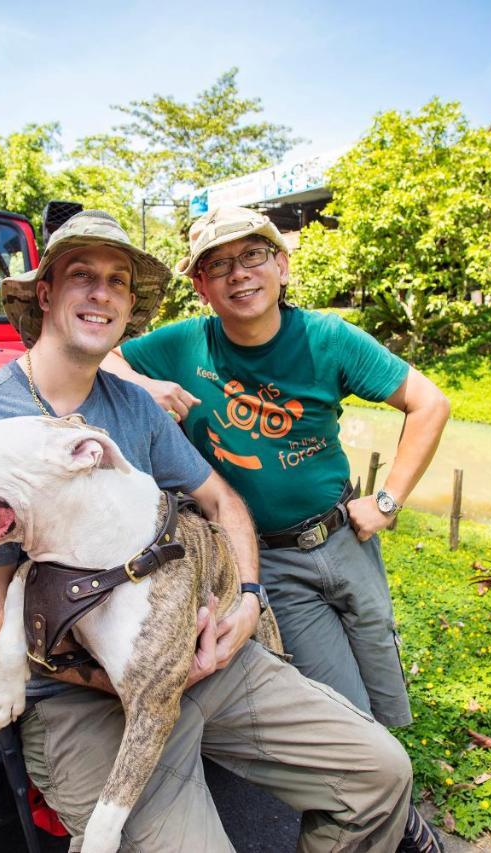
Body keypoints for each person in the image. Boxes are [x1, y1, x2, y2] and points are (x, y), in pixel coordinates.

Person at [0, 210, 441, 852]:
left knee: (379, 771)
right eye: (82, 275)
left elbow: (223, 500)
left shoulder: (133, 406)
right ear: (46, 293)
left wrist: (249, 601)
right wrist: (140, 675)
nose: (102, 293)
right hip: (81, 692)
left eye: (118, 281)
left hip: (204, 650)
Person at [104, 206, 450, 729]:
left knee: (384, 673)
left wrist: (387, 501)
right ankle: (361, 777)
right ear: (201, 285)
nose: (238, 273)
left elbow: (429, 402)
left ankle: (394, 785)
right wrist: (147, 386)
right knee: (345, 711)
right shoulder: (183, 344)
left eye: (252, 255)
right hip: (270, 557)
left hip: (345, 536)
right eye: (218, 266)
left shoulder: (328, 338)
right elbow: (102, 354)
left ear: (281, 266)